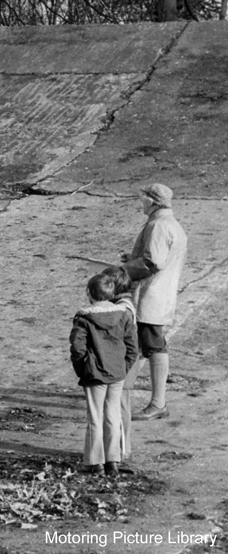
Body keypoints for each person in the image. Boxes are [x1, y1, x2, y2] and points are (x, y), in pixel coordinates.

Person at [120, 183, 187, 421]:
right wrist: (134, 257)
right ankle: (122, 390)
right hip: (161, 293)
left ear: (152, 201)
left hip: (152, 296)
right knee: (144, 344)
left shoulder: (158, 226)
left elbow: (152, 263)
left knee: (153, 345)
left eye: (143, 198)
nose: (141, 202)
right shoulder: (172, 225)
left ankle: (158, 402)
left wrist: (123, 269)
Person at [70, 274, 138, 476]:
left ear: (89, 293)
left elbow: (77, 347)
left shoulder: (84, 318)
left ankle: (94, 461)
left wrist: (83, 368)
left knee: (95, 417)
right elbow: (132, 347)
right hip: (117, 373)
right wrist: (123, 368)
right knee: (112, 414)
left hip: (94, 373)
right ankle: (113, 460)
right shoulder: (124, 314)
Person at [101, 266, 138, 462]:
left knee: (120, 406)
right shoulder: (127, 304)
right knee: (119, 405)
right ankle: (119, 448)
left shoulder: (122, 309)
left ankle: (123, 449)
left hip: (122, 365)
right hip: (123, 364)